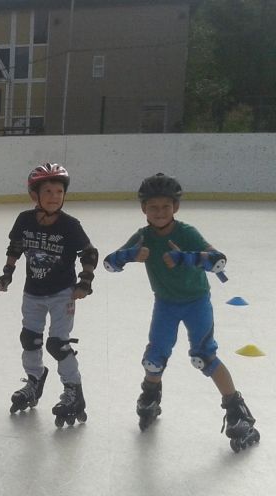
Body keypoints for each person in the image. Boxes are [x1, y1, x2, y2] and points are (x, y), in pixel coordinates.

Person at [103, 172, 259, 452]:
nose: (160, 212)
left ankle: (237, 410)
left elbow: (218, 261)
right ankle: (150, 395)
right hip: (165, 304)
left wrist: (186, 258)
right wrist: (127, 256)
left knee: (204, 357)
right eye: (153, 207)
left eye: (166, 206)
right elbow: (109, 265)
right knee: (154, 359)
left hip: (196, 302)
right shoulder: (143, 236)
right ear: (144, 209)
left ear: (175, 207)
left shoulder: (186, 233)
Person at [0, 163, 98, 427]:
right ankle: (34, 380)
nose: (54, 196)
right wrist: (8, 272)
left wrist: (85, 281)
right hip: (32, 293)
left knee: (57, 344)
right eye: (48, 191)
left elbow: (89, 253)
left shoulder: (70, 225)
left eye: (59, 191)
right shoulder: (24, 220)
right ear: (35, 195)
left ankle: (73, 390)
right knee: (29, 339)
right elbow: (16, 246)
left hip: (62, 293)